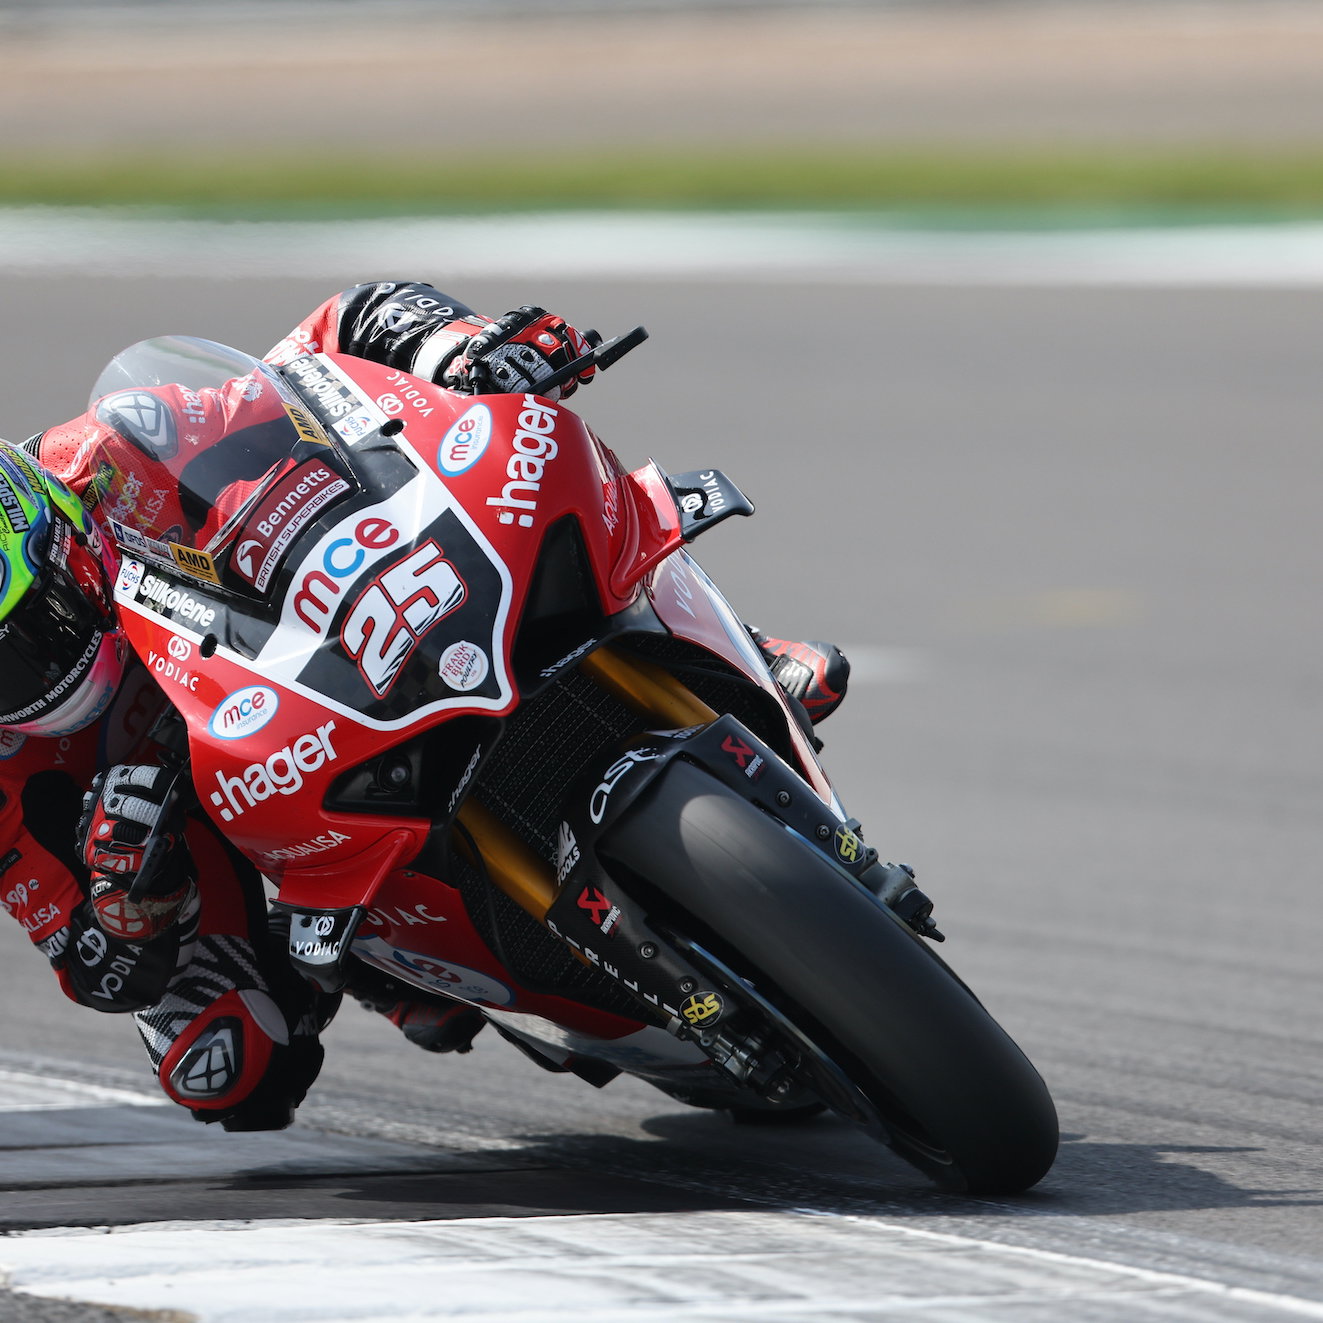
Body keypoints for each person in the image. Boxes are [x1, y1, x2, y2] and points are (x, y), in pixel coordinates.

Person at [0, 282, 850, 1129]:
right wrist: (127, 903)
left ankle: (728, 644)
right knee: (224, 1063)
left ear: (58, 527)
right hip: (202, 818)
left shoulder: (106, 450)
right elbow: (93, 965)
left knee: (523, 463)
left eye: (34, 625)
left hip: (304, 655)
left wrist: (463, 349)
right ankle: (380, 969)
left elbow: (317, 352)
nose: (32, 671)